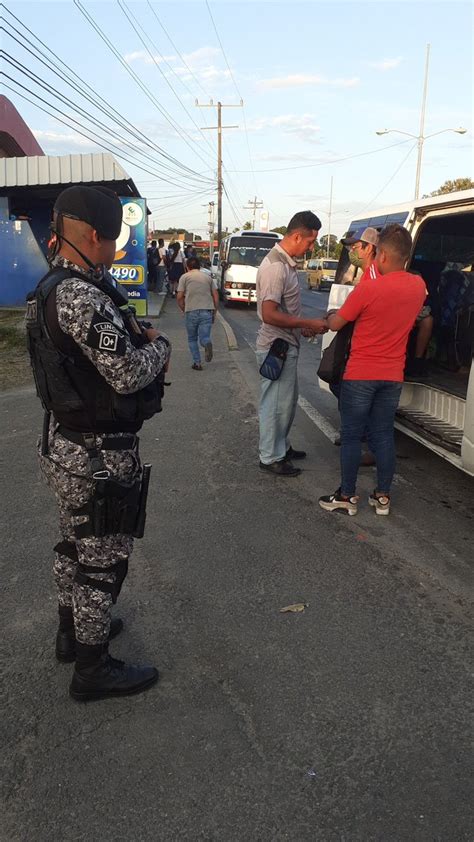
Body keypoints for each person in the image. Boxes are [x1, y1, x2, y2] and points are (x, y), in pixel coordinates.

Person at [25, 185, 171, 701]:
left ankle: (73, 633)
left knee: (74, 543)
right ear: (91, 235)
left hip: (64, 444)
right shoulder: (82, 297)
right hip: (96, 455)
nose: (115, 248)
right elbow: (128, 373)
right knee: (103, 560)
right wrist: (163, 350)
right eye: (112, 239)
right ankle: (92, 669)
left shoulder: (50, 287)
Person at [319, 224, 426, 516]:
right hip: (392, 376)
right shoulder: (418, 286)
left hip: (360, 374)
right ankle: (382, 497)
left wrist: (329, 315)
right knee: (383, 436)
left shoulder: (369, 287)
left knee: (352, 437)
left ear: (382, 255)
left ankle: (347, 496)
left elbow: (337, 323)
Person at [256, 210, 328, 477]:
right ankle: (270, 456)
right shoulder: (276, 266)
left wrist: (301, 326)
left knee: (285, 402)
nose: (311, 248)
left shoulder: (284, 263)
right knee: (275, 404)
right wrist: (305, 323)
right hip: (277, 347)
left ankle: (281, 448)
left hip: (284, 345)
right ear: (297, 236)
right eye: (310, 242)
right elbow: (269, 313)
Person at [176, 256, 219, 370]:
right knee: (204, 337)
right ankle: (206, 343)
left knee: (192, 338)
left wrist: (183, 308)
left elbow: (179, 296)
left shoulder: (184, 277)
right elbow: (215, 296)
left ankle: (197, 363)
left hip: (191, 311)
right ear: (199, 266)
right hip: (207, 310)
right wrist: (214, 312)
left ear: (187, 266)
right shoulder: (207, 277)